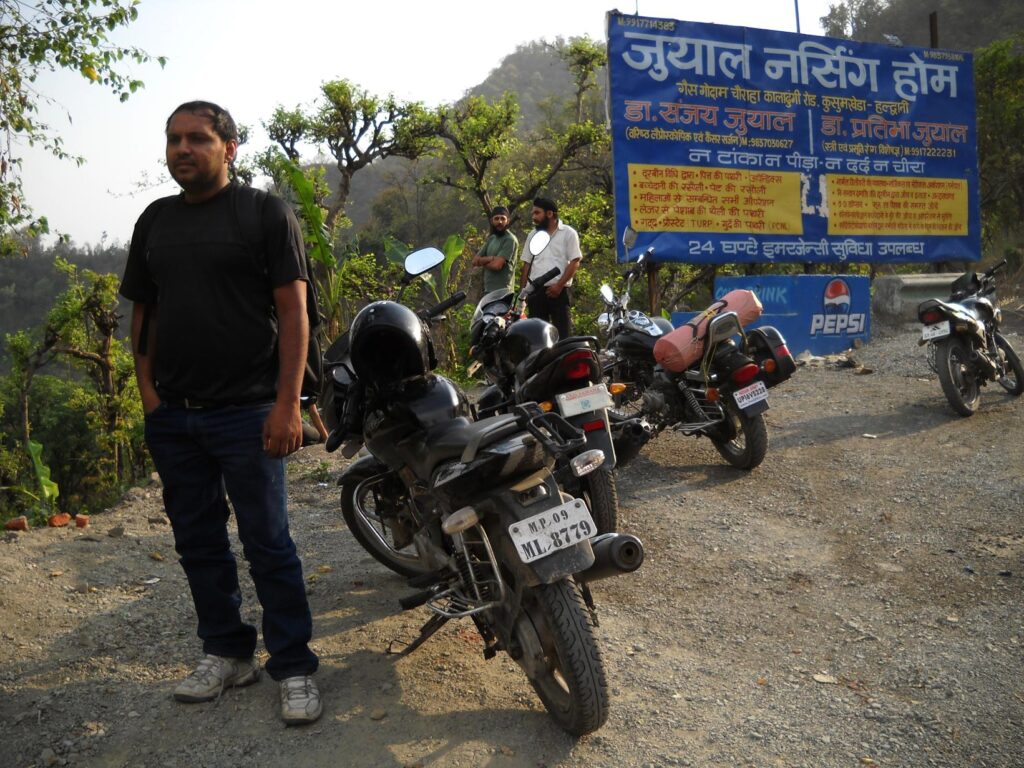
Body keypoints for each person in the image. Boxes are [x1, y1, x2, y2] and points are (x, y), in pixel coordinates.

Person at [119, 101, 322, 725]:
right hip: (176, 417)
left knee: (268, 542)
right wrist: (151, 398)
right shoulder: (155, 221)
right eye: (174, 139)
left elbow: (294, 314)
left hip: (248, 412)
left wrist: (287, 405)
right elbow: (142, 319)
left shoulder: (264, 213)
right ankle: (228, 652)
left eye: (198, 139)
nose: (183, 149)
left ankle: (293, 665)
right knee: (198, 543)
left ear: (229, 147)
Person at [519, 196, 582, 339]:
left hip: (559, 293)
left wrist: (559, 286)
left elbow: (575, 261)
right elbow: (527, 264)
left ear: (549, 214)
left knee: (563, 337)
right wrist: (523, 294)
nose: (533, 217)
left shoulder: (568, 233)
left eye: (537, 213)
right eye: (533, 213)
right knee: (537, 339)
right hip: (535, 293)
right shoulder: (532, 235)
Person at [471, 205, 518, 294]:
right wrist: (491, 258)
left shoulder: (510, 240)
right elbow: (474, 261)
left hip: (503, 293)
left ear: (508, 221)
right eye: (496, 219)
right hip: (488, 291)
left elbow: (497, 266)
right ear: (492, 221)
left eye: (502, 219)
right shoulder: (492, 238)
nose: (500, 222)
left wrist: (482, 263)